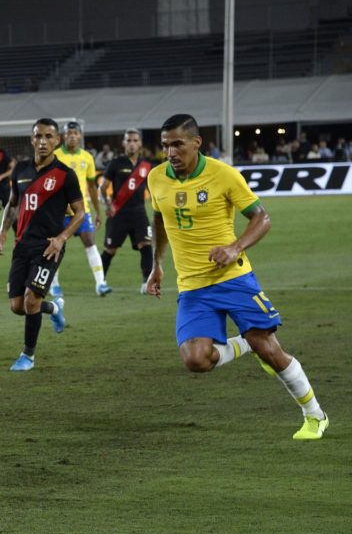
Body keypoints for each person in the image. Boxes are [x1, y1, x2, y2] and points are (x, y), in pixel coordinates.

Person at [146, 114, 329, 440]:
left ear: (196, 143)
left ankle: (315, 415)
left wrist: (234, 247)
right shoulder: (157, 178)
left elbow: (262, 217)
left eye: (177, 144)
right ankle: (244, 344)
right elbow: (159, 220)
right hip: (192, 286)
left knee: (270, 350)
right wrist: (156, 265)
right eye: (165, 146)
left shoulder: (224, 175)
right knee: (196, 360)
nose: (170, 152)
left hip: (233, 278)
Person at [0, 119, 85, 371]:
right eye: (38, 136)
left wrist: (61, 238)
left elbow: (80, 213)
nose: (43, 141)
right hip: (22, 244)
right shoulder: (20, 170)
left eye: (48, 136)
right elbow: (12, 204)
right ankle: (53, 308)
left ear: (57, 140)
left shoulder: (66, 175)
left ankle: (28, 356)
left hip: (48, 246)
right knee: (17, 306)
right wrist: (1, 236)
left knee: (30, 301)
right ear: (32, 139)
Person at [52, 121, 111, 297]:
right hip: (59, 211)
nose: (72, 136)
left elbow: (92, 187)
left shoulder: (87, 157)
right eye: (69, 133)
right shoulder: (54, 156)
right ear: (63, 136)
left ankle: (101, 283)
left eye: (75, 133)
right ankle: (54, 285)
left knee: (90, 242)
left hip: (81, 210)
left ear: (80, 136)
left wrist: (98, 211)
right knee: (56, 246)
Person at [99, 128, 153, 292]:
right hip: (118, 214)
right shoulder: (116, 163)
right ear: (123, 143)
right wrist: (108, 205)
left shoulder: (146, 166)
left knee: (146, 244)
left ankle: (147, 283)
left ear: (140, 143)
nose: (132, 144)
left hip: (139, 213)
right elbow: (103, 188)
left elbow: (152, 188)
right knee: (110, 250)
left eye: (135, 141)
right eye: (128, 141)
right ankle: (100, 281)